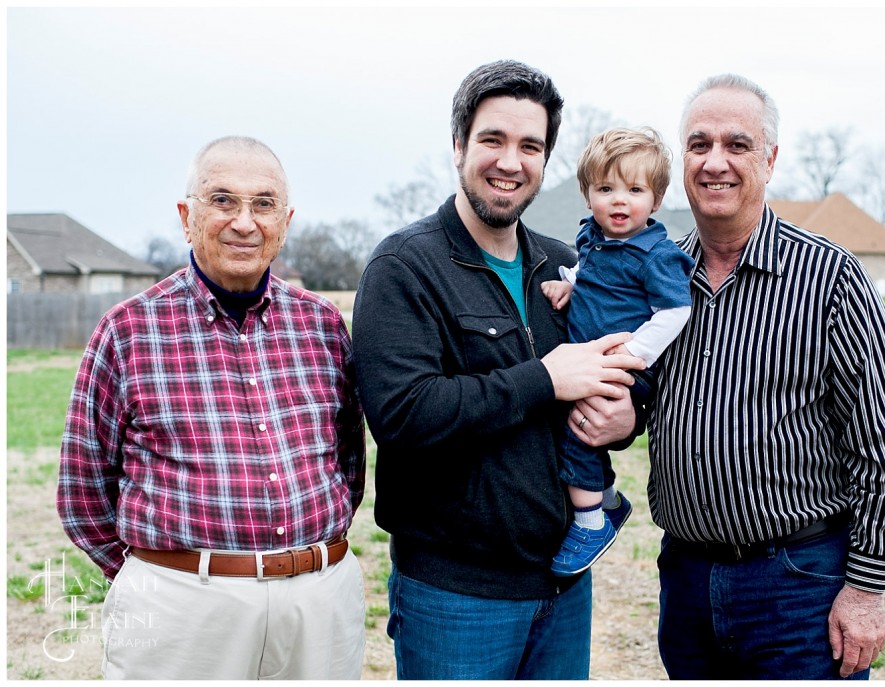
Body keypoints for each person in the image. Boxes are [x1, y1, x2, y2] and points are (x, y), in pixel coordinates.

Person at [352, 60, 645, 680]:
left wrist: (631, 412)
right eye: (493, 140)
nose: (510, 161)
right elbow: (404, 415)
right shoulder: (405, 267)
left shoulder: (570, 265)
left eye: (530, 146)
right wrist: (544, 379)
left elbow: (631, 359)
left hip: (565, 584)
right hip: (455, 597)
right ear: (459, 146)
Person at [57, 136, 367, 680]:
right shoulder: (129, 330)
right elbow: (83, 492)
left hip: (319, 604)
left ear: (285, 220)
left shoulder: (322, 324)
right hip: (181, 611)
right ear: (186, 215)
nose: (244, 222)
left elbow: (348, 459)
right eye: (222, 200)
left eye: (263, 204)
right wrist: (160, 579)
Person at [648, 73, 885, 680]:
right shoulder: (661, 279)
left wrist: (866, 589)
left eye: (736, 145)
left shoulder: (830, 278)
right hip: (687, 583)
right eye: (699, 145)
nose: (715, 162)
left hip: (799, 585)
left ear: (770, 159)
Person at [540, 127, 694, 577]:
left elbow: (675, 311)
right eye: (605, 189)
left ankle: (592, 522)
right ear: (588, 197)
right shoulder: (592, 237)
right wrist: (567, 283)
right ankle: (604, 497)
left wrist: (636, 353)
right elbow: (588, 271)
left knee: (578, 431)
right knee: (562, 426)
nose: (619, 201)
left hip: (623, 363)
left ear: (657, 199)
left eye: (634, 189)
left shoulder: (657, 255)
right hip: (588, 358)